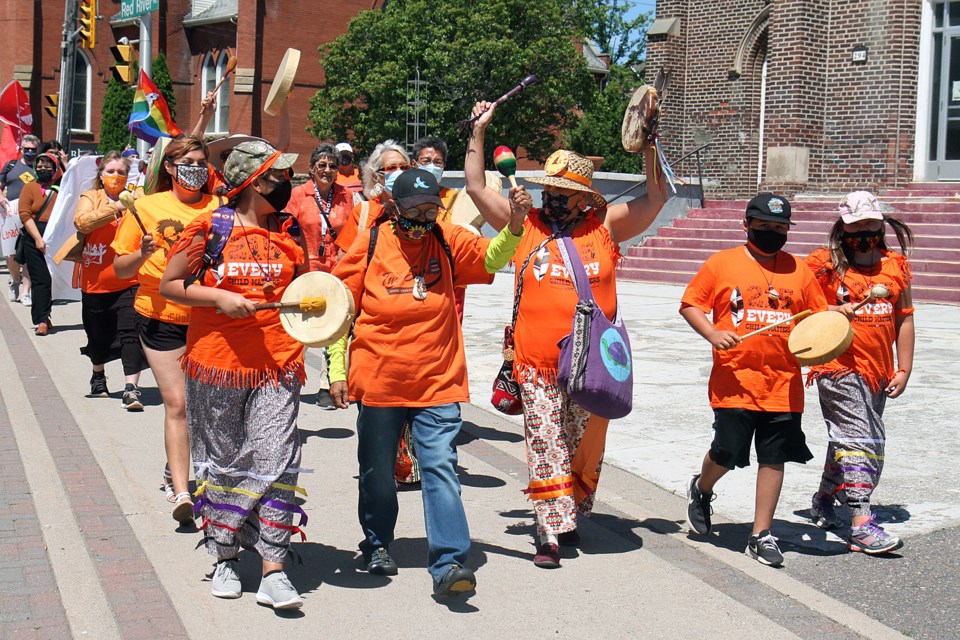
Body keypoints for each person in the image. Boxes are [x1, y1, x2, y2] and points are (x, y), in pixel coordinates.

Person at [464, 100, 668, 569]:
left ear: (584, 197)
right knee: (546, 440)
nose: (551, 198)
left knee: (580, 442)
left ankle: (569, 510)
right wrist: (478, 132)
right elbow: (475, 185)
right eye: (548, 189)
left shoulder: (607, 227)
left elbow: (655, 198)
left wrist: (650, 145)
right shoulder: (526, 224)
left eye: (562, 192)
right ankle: (549, 529)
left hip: (590, 362)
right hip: (534, 362)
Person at [328, 167, 530, 596]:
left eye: (430, 209)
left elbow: (493, 258)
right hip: (379, 378)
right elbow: (337, 309)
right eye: (414, 210)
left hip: (437, 378)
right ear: (393, 207)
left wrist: (513, 226)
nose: (423, 218)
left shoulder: (446, 237)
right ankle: (378, 542)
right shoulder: (370, 243)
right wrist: (337, 370)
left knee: (440, 464)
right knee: (378, 471)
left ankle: (449, 561)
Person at [160, 138, 307, 609]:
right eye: (277, 175)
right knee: (224, 461)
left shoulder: (288, 227)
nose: (285, 182)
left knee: (276, 458)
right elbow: (171, 286)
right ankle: (224, 555)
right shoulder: (210, 226)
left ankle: (274, 568)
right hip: (217, 364)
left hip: (279, 363)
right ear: (253, 182)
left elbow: (305, 289)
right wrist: (219, 298)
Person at [680, 194, 828, 567]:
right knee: (727, 452)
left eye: (779, 228)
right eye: (764, 226)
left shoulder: (800, 270)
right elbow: (690, 304)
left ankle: (761, 534)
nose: (772, 233)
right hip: (735, 381)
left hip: (783, 384)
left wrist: (830, 330)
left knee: (774, 456)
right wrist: (713, 333)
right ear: (746, 225)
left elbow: (818, 318)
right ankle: (702, 487)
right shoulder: (722, 263)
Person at [113, 134, 219, 525]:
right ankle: (180, 490)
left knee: (205, 407)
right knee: (178, 403)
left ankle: (183, 470)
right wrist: (141, 253)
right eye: (187, 162)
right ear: (170, 168)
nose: (196, 169)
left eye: (201, 162)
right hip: (161, 318)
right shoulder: (145, 207)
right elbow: (121, 270)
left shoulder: (221, 206)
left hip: (210, 319)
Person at [805, 191, 915, 554]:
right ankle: (862, 523)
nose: (865, 231)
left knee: (847, 439)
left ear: (881, 224)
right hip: (837, 367)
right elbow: (804, 308)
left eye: (871, 224)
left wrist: (904, 367)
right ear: (843, 228)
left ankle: (824, 498)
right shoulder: (824, 266)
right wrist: (835, 312)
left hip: (878, 374)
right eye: (857, 226)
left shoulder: (894, 266)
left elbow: (904, 319)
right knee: (863, 439)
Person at [74, 151, 148, 409]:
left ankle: (131, 388)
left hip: (128, 280)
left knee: (130, 333)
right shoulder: (91, 197)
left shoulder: (137, 199)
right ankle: (98, 374)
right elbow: (82, 223)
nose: (116, 176)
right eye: (111, 171)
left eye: (121, 172)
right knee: (97, 336)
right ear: (101, 174)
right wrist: (115, 208)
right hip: (95, 281)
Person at [286, 143, 355, 409]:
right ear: (312, 168)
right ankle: (290, 377)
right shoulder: (298, 195)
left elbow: (351, 231)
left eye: (333, 166)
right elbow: (287, 230)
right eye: (322, 165)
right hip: (306, 271)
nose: (327, 170)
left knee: (337, 328)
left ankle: (328, 385)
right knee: (300, 327)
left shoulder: (346, 196)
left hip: (337, 271)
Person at [334, 140, 411, 254]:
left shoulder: (420, 207)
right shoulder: (363, 212)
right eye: (391, 168)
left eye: (404, 167)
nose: (399, 172)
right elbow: (344, 258)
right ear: (375, 176)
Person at [18, 150, 64, 335]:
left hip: (56, 237)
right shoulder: (29, 187)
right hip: (34, 236)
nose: (43, 168)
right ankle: (41, 320)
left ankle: (47, 313)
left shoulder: (62, 187)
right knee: (41, 280)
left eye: (47, 166)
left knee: (53, 279)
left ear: (54, 168)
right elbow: (24, 214)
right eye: (40, 166)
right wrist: (38, 238)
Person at [1, 133, 39, 304]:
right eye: (27, 149)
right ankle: (15, 280)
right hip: (10, 214)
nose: (30, 152)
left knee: (30, 253)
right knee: (11, 255)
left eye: (33, 149)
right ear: (21, 149)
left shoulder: (41, 167)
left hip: (31, 215)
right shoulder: (11, 166)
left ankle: (25, 291)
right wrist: (1, 198)